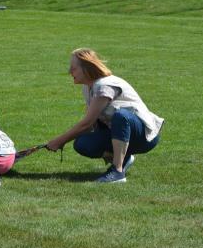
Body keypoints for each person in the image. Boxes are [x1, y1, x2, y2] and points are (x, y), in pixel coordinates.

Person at [46, 48, 164, 183]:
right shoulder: (88, 87)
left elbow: (87, 123)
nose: (69, 72)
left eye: (73, 68)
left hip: (144, 136)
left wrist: (59, 141)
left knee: (121, 116)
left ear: (87, 68)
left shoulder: (104, 86)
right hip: (123, 132)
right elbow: (91, 124)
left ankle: (118, 172)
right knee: (82, 143)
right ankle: (123, 157)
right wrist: (62, 141)